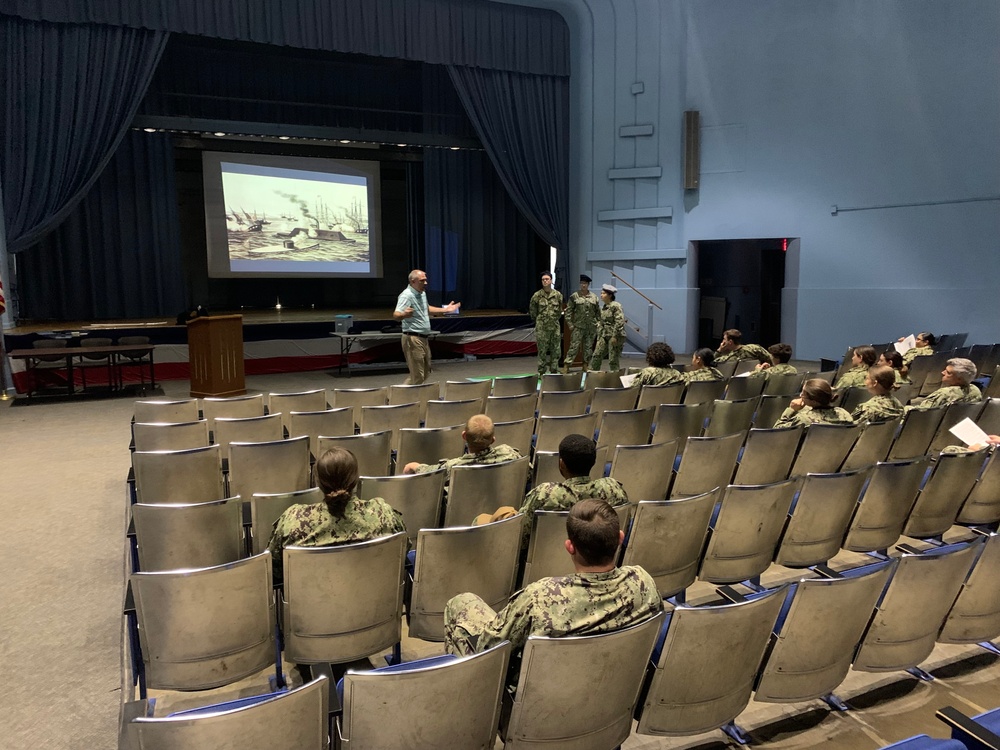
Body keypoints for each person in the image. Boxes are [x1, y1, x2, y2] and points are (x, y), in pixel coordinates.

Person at [443, 499, 662, 687]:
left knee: (461, 603)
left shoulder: (540, 597)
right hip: (609, 693)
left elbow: (487, 649)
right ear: (621, 537)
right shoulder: (643, 581)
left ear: (570, 547)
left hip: (537, 709)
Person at [267, 447, 406, 584]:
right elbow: (402, 552)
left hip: (311, 604)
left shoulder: (294, 520)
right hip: (375, 601)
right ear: (355, 479)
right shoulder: (384, 514)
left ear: (318, 482)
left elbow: (274, 569)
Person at [393, 269, 460, 385]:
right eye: (422, 281)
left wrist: (446, 310)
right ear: (413, 281)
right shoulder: (406, 295)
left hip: (423, 338)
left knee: (425, 372)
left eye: (426, 280)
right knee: (418, 376)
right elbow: (396, 314)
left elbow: (427, 309)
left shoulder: (422, 293)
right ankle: (402, 398)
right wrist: (403, 314)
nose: (426, 283)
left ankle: (396, 395)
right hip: (413, 338)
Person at [402, 414, 522, 479]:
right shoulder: (511, 455)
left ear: (464, 436)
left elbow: (424, 471)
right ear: (493, 440)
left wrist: (413, 466)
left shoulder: (453, 467)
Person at [906, 358, 983, 411]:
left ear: (959, 378)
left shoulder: (944, 394)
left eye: (948, 373)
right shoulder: (975, 390)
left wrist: (904, 409)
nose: (943, 373)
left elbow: (920, 413)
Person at [774, 378, 853, 428]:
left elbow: (777, 431)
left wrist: (791, 409)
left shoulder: (803, 419)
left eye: (803, 394)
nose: (800, 395)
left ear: (813, 401)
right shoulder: (844, 414)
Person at [562, 274, 600, 373]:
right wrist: (570, 324)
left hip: (590, 327)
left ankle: (585, 365)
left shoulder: (594, 297)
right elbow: (568, 311)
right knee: (574, 346)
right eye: (582, 283)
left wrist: (598, 324)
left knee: (588, 347)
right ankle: (567, 365)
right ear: (580, 284)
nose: (583, 285)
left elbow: (597, 313)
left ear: (588, 285)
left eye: (585, 283)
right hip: (578, 326)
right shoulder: (574, 296)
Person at [529, 271, 564, 376]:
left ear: (551, 281)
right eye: (543, 279)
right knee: (542, 351)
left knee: (556, 350)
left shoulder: (558, 295)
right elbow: (533, 311)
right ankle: (541, 372)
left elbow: (559, 311)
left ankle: (554, 370)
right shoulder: (537, 296)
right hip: (542, 327)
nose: (545, 281)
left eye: (547, 279)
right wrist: (540, 320)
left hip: (554, 326)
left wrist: (552, 319)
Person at [589, 284, 625, 372]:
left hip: (614, 336)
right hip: (604, 335)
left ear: (610, 295)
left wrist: (615, 336)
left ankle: (615, 378)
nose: (601, 295)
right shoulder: (604, 307)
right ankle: (593, 375)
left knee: (613, 359)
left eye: (604, 293)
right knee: (596, 355)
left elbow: (619, 321)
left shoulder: (615, 306)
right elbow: (602, 322)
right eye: (601, 293)